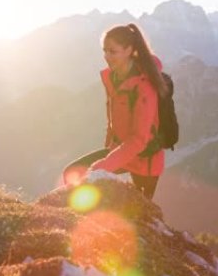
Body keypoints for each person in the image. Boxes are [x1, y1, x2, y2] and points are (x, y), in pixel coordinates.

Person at [62, 23, 167, 199]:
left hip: (144, 159)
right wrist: (108, 148)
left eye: (113, 51)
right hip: (119, 149)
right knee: (72, 173)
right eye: (105, 50)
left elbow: (139, 140)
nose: (107, 56)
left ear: (129, 50)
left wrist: (103, 166)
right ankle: (83, 219)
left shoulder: (144, 86)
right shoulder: (114, 77)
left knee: (140, 214)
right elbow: (114, 116)